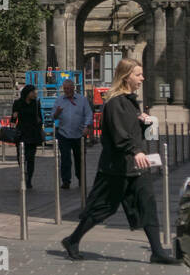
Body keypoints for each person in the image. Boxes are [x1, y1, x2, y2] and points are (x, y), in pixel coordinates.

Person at [61, 58, 181, 264]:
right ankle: (73, 240)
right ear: (126, 77)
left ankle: (157, 251)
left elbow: (131, 131)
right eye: (138, 74)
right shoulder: (115, 102)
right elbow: (118, 134)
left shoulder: (130, 101)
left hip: (136, 167)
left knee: (147, 204)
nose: (142, 78)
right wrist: (135, 150)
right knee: (103, 207)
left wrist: (142, 124)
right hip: (116, 168)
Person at [53, 78, 94, 189]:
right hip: (63, 134)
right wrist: (56, 113)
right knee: (65, 159)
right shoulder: (59, 100)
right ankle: (66, 181)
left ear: (73, 88)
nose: (67, 90)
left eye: (69, 88)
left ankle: (81, 179)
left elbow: (89, 114)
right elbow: (53, 116)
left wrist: (86, 127)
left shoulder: (82, 100)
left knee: (79, 158)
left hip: (79, 135)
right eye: (65, 89)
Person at [12, 84, 45, 189]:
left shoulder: (36, 103)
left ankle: (29, 179)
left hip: (32, 133)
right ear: (27, 93)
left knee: (31, 158)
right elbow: (13, 120)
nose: (35, 94)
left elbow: (40, 118)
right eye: (33, 92)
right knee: (21, 157)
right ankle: (23, 174)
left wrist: (39, 127)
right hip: (21, 133)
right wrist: (14, 117)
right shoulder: (18, 103)